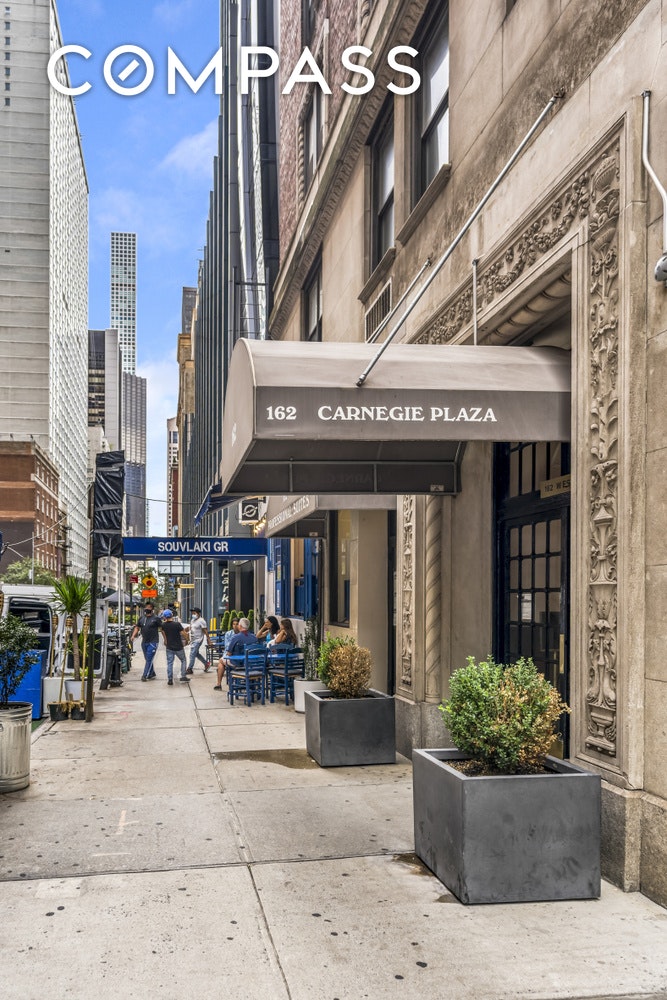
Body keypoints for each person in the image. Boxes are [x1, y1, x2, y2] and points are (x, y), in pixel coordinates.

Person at [213, 617, 257, 691]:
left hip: (238, 663)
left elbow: (229, 653)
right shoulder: (254, 637)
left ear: (240, 626)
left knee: (221, 661)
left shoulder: (236, 637)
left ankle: (219, 683)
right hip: (251, 664)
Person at [131, 603, 162, 681]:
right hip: (144, 642)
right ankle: (152, 673)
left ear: (152, 609)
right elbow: (137, 627)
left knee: (149, 659)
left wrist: (166, 639)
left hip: (153, 641)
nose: (147, 609)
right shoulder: (142, 618)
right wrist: (133, 635)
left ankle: (145, 675)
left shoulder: (156, 618)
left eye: (149, 607)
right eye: (146, 607)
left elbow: (162, 628)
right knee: (148, 658)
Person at [160, 609, 189, 685]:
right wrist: (187, 640)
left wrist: (165, 640)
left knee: (170, 663)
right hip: (178, 646)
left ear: (164, 617)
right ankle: (183, 676)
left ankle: (170, 679)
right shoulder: (177, 624)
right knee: (183, 660)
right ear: (171, 615)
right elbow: (183, 633)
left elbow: (163, 632)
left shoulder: (163, 625)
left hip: (169, 647)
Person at [214, 617, 239, 689]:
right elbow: (227, 647)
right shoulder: (228, 634)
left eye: (237, 624)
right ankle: (219, 684)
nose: (235, 626)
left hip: (236, 657)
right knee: (221, 662)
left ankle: (219, 683)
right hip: (229, 655)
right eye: (234, 624)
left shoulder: (242, 634)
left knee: (221, 661)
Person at [186, 607, 209, 674]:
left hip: (198, 640)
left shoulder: (202, 621)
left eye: (194, 613)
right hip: (193, 640)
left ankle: (190, 669)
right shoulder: (192, 620)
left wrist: (208, 639)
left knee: (192, 654)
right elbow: (190, 628)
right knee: (196, 654)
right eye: (192, 613)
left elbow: (205, 631)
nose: (193, 614)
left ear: (198, 613)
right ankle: (206, 664)